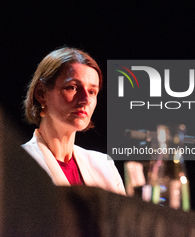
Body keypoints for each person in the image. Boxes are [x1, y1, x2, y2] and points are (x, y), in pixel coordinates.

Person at [22, 47, 126, 195]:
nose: (86, 100)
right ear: (41, 93)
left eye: (92, 91)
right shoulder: (19, 164)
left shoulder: (105, 166)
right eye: (73, 87)